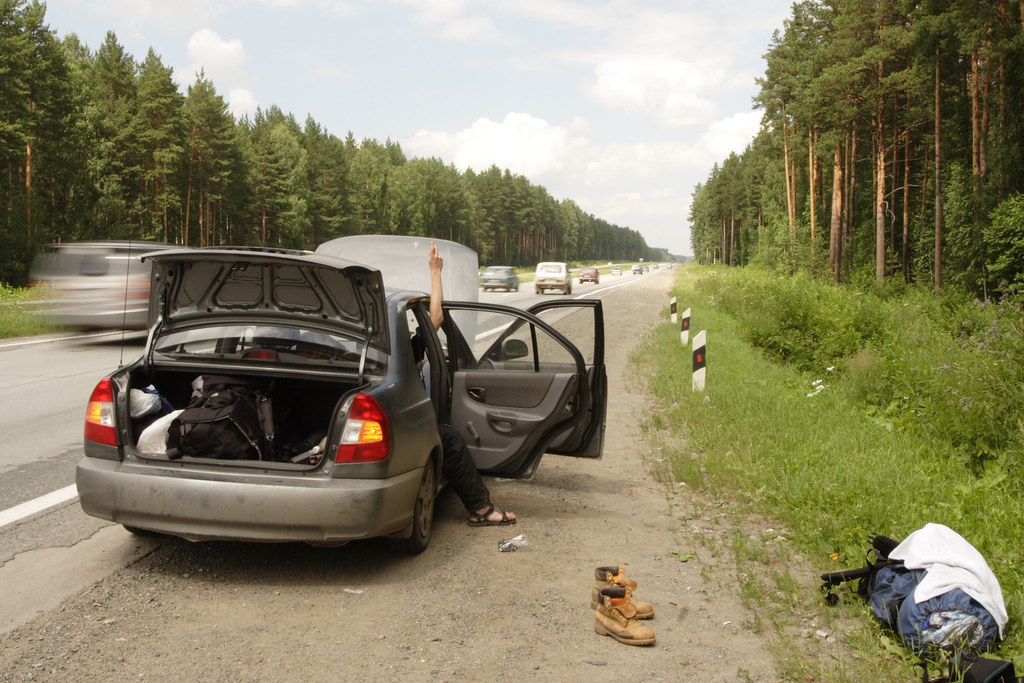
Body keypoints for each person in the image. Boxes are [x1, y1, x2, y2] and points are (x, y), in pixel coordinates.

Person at [415, 242, 516, 527]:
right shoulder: (394, 346)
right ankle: (480, 509)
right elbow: (435, 318)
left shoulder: (334, 352)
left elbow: (435, 318)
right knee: (450, 440)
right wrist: (435, 272)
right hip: (397, 419)